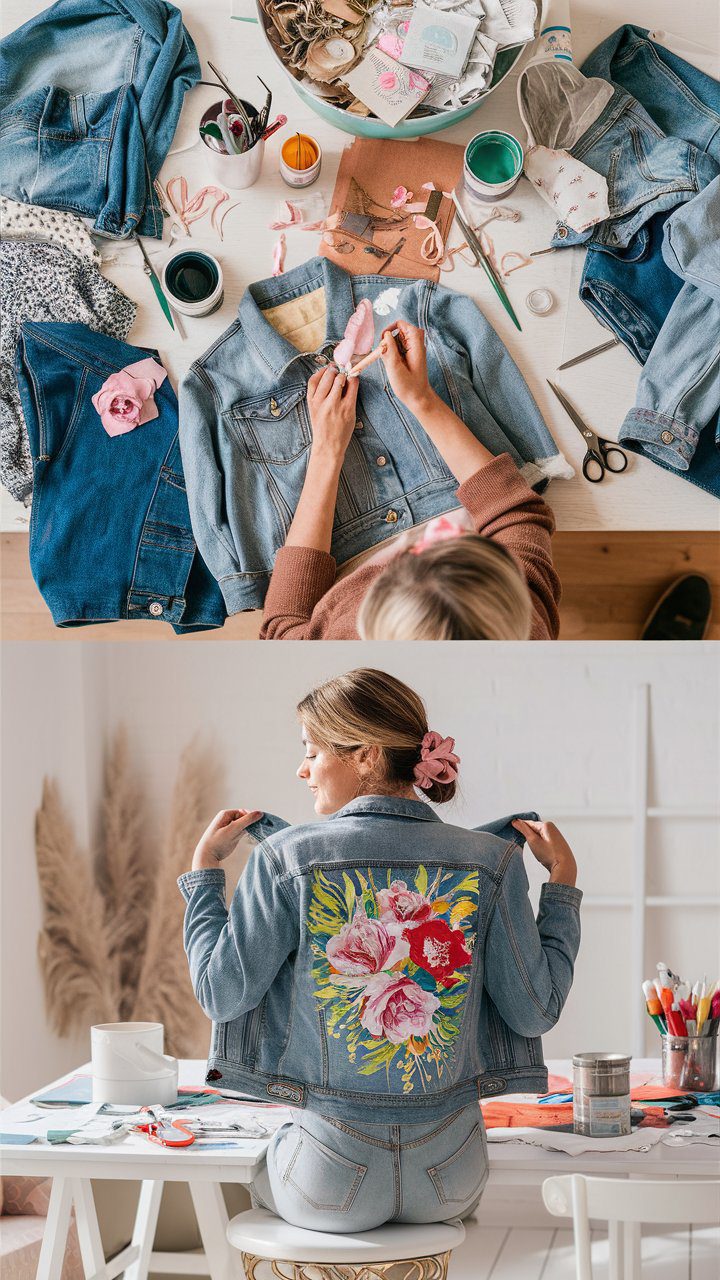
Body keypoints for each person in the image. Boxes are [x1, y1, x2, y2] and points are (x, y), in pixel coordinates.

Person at [179, 669, 582, 1231]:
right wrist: (561, 885)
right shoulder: (493, 862)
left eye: (312, 751)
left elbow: (220, 996)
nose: (302, 770)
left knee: (255, 1178)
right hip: (452, 1177)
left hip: (329, 1177)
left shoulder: (285, 859)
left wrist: (203, 877)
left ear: (366, 755)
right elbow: (534, 1011)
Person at [259, 321, 561, 641]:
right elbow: (515, 514)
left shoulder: (333, 647)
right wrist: (421, 398)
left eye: (412, 555)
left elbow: (282, 630)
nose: (436, 532)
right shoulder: (525, 622)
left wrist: (326, 450)